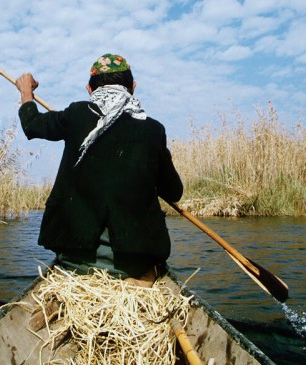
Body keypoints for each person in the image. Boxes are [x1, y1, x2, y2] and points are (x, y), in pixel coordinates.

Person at [15, 54, 182, 287]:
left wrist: (26, 92)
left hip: (75, 261)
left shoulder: (76, 114)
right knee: (151, 268)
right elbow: (174, 193)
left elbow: (32, 125)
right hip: (134, 265)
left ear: (89, 89)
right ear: (133, 88)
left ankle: (72, 280)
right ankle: (141, 281)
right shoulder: (153, 130)